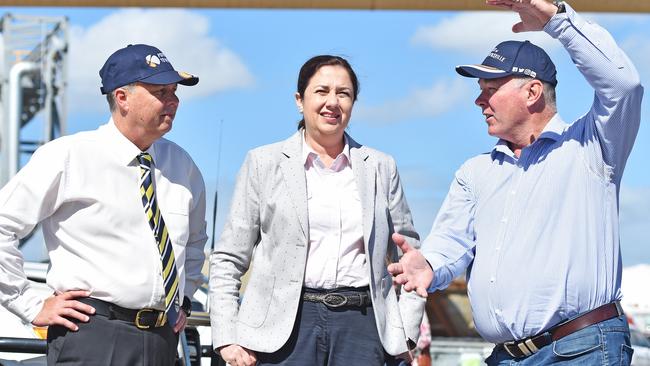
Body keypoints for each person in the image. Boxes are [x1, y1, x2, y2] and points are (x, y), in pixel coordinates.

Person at [388, 1, 643, 365]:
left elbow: (624, 85)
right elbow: (451, 243)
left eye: (490, 87)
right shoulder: (474, 173)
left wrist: (558, 22)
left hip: (582, 351)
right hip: (505, 357)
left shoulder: (592, 147)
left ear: (532, 92)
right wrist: (429, 264)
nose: (479, 100)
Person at [209, 55, 425, 366]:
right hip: (282, 332)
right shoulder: (263, 162)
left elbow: (410, 259)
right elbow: (228, 257)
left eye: (344, 93)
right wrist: (227, 336)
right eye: (322, 91)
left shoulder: (381, 166)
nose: (333, 102)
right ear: (300, 100)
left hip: (362, 329)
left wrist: (404, 332)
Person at [0, 44, 208, 365]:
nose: (173, 101)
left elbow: (195, 243)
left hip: (163, 340)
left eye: (174, 91)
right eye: (161, 91)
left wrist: (184, 300)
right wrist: (29, 303)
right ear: (121, 98)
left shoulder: (182, 165)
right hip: (91, 335)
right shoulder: (68, 156)